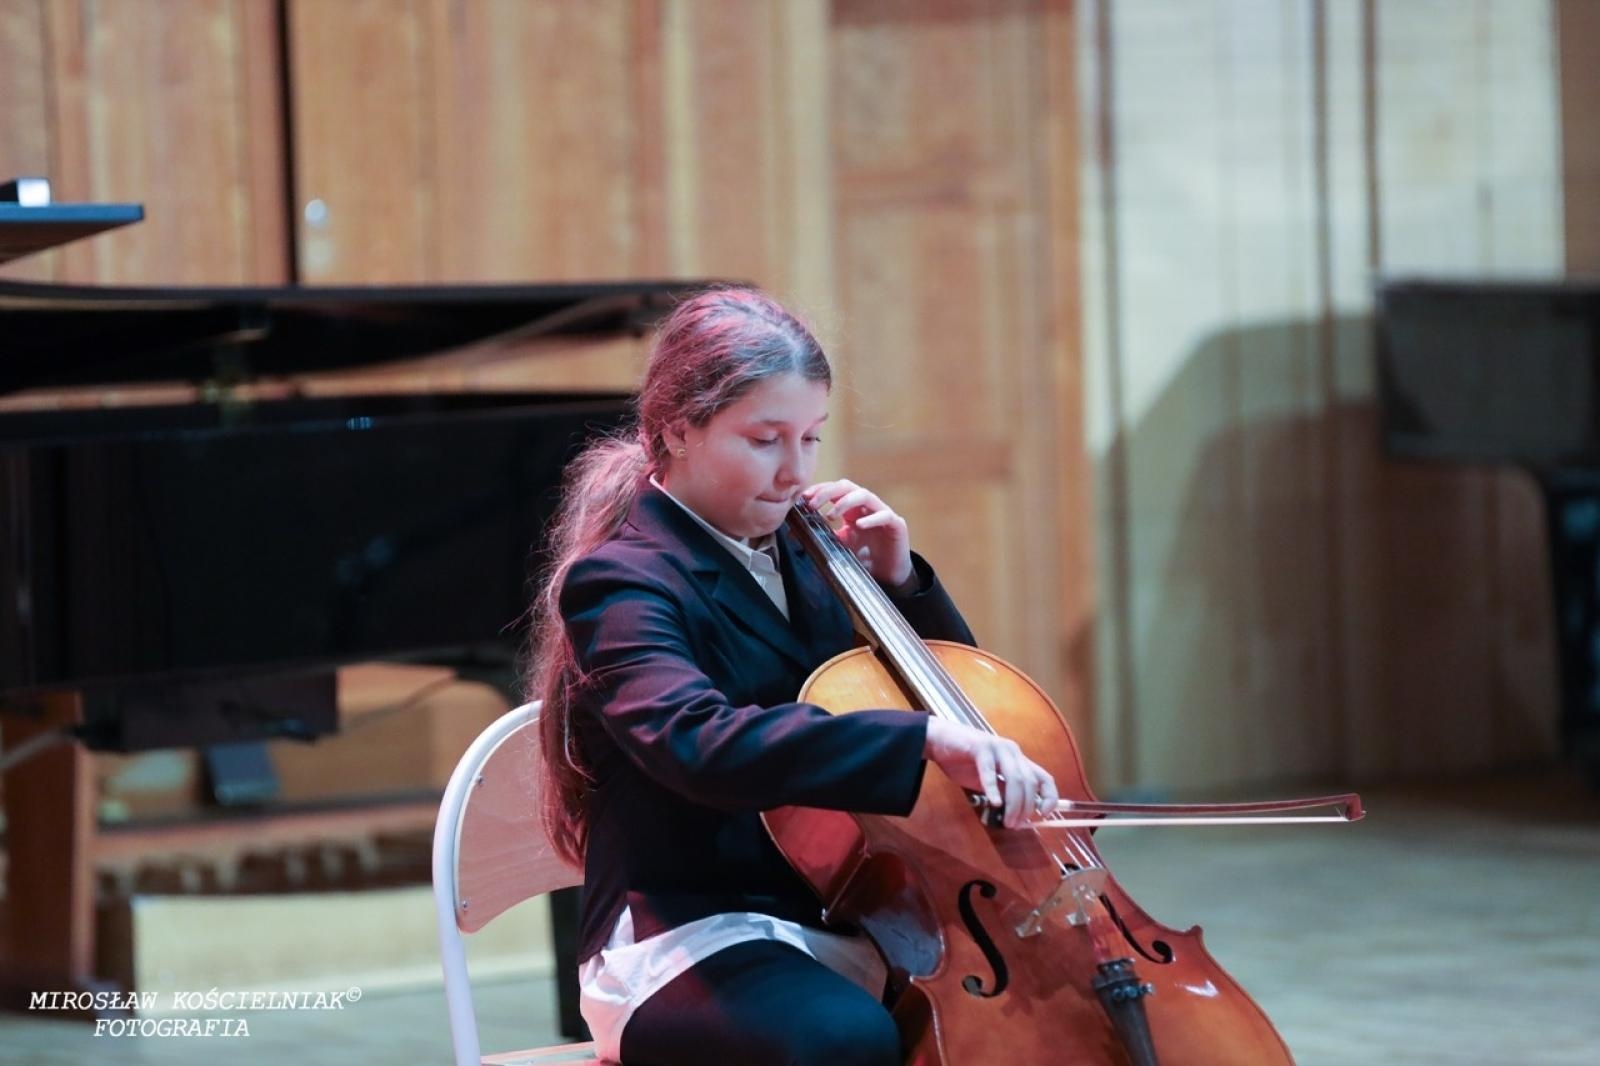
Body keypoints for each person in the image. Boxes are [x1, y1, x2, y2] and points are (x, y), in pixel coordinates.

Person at [526, 287, 1058, 1066]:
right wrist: (922, 742)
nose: (793, 473)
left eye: (811, 438)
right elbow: (699, 742)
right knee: (842, 1042)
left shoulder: (811, 557)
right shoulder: (622, 583)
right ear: (676, 429)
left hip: (849, 912)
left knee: (1043, 1016)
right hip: (691, 930)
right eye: (765, 440)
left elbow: (956, 697)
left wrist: (901, 585)